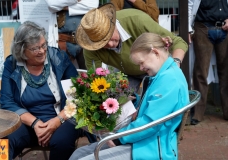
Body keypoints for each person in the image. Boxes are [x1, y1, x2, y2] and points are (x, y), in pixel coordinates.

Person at [69, 32, 190, 160]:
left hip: (149, 149)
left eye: (141, 62)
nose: (141, 68)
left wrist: (118, 139)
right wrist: (132, 99)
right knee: (79, 154)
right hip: (143, 141)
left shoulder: (169, 80)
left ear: (155, 52)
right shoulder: (163, 75)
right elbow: (152, 109)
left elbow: (150, 124)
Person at [0, 21, 81, 160]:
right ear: (21, 50)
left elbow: (78, 96)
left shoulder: (59, 59)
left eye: (44, 45)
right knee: (0, 142)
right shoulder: (12, 64)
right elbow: (7, 102)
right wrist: (35, 123)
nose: (42, 51)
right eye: (35, 48)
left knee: (62, 142)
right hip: (26, 123)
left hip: (62, 118)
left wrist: (57, 120)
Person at [75, 3, 188, 92]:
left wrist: (174, 65)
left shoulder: (137, 20)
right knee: (120, 107)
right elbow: (96, 79)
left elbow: (179, 42)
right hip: (129, 76)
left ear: (113, 24)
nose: (109, 45)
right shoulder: (91, 48)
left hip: (159, 71)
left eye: (108, 37)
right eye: (101, 44)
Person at [188, 0, 228, 125]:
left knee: (226, 72)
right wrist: (188, 29)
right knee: (201, 71)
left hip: (225, 28)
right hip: (203, 28)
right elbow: (189, 5)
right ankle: (198, 113)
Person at [45, 0, 99, 69]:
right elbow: (51, 4)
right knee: (62, 75)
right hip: (63, 42)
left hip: (85, 41)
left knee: (89, 74)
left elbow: (93, 6)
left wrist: (65, 7)